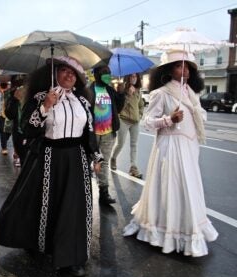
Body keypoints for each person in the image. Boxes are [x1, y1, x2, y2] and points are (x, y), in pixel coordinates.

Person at [0, 56, 103, 277]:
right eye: (64, 70)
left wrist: (96, 156)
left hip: (76, 159)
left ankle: (68, 258)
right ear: (53, 74)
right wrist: (46, 106)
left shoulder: (82, 101)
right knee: (42, 206)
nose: (69, 75)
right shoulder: (41, 97)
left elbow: (88, 133)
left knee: (73, 209)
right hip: (48, 158)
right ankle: (36, 242)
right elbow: (27, 129)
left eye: (74, 72)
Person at [123, 50, 218, 257]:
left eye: (187, 66)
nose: (183, 69)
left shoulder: (192, 93)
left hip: (190, 148)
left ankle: (186, 227)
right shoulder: (162, 93)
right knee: (171, 187)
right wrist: (169, 119)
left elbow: (200, 117)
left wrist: (197, 112)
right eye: (178, 65)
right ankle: (165, 231)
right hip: (170, 147)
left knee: (189, 188)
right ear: (168, 69)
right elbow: (147, 122)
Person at [88, 65, 125, 205]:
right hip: (92, 135)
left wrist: (121, 93)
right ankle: (83, 191)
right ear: (96, 75)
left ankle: (104, 193)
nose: (108, 75)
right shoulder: (89, 90)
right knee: (87, 162)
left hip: (108, 133)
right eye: (104, 73)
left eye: (109, 73)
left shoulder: (110, 90)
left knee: (103, 163)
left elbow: (118, 108)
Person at [110, 73, 144, 178]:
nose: (134, 78)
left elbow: (141, 105)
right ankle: (113, 158)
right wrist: (128, 94)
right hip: (124, 120)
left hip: (135, 122)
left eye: (135, 76)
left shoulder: (138, 91)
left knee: (134, 145)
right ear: (128, 77)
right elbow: (120, 107)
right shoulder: (122, 90)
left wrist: (140, 115)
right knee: (121, 143)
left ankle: (133, 167)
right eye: (131, 76)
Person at [4, 74, 28, 166]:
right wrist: (14, 99)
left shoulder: (35, 94)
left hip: (32, 135)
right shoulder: (12, 94)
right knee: (23, 160)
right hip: (19, 133)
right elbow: (9, 114)